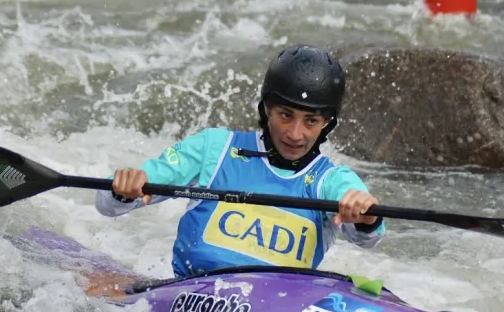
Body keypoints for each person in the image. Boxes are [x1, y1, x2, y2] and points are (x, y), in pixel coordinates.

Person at [96, 45, 385, 277]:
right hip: (190, 297)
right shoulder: (214, 148)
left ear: (326, 123)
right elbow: (107, 205)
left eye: (311, 121)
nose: (296, 134)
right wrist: (125, 188)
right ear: (267, 109)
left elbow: (369, 239)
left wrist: (366, 215)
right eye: (285, 115)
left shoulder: (332, 181)